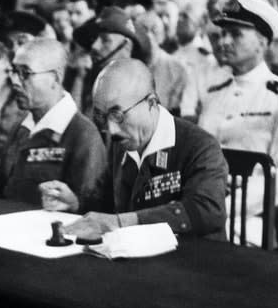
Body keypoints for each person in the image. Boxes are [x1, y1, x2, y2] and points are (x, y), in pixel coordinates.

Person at [59, 58, 227, 239]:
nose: (111, 129)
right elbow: (104, 201)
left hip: (192, 259)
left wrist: (122, 222)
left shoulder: (200, 146)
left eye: (118, 115)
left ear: (151, 103)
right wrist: (76, 202)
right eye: (102, 117)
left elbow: (208, 211)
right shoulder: (123, 143)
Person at [199, 0, 278, 246]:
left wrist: (223, 207)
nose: (224, 41)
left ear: (262, 42)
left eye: (235, 34)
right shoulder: (213, 94)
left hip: (252, 220)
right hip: (204, 209)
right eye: (223, 33)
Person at [0, 39, 106, 210]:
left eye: (25, 73)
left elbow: (91, 210)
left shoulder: (83, 135)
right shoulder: (21, 129)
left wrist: (74, 204)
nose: (15, 81)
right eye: (13, 71)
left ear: (56, 78)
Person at [0, 11, 47, 188]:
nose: (14, 49)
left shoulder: (45, 87)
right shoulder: (1, 84)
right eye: (8, 43)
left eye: (22, 41)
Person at [71, 6, 149, 115]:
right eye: (94, 39)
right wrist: (79, 79)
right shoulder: (90, 78)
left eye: (105, 40)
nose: (95, 46)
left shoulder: (132, 92)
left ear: (126, 47)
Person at [134, 11, 189, 115]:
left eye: (141, 33)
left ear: (155, 35)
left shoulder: (176, 69)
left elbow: (174, 112)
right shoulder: (131, 65)